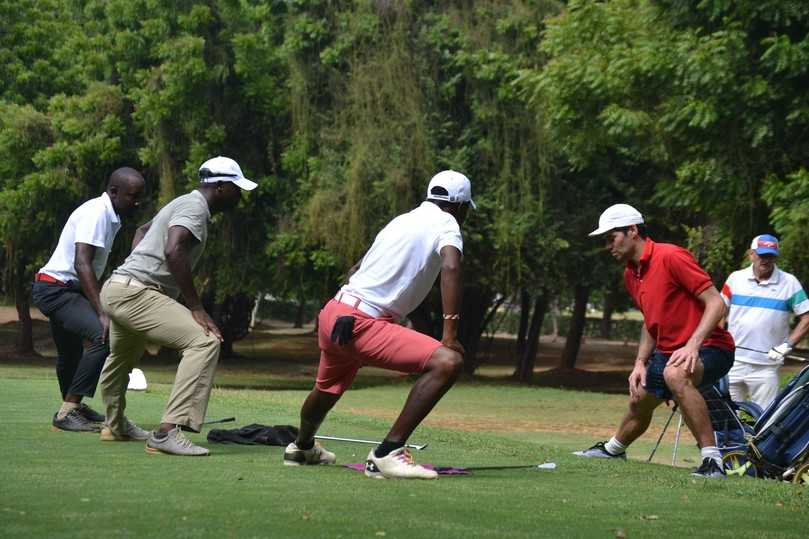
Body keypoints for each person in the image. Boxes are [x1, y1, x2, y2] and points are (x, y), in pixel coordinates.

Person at [283, 170, 472, 479]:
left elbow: (357, 268)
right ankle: (387, 453)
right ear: (461, 206)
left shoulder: (402, 220)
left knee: (327, 390)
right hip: (363, 321)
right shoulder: (447, 223)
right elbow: (451, 266)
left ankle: (302, 448)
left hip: (335, 312)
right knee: (447, 362)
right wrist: (449, 334)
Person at [98, 156, 256, 455]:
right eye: (237, 188)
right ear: (220, 186)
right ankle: (167, 433)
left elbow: (143, 231)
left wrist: (137, 266)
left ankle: (114, 424)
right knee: (205, 340)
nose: (240, 195)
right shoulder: (195, 207)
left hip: (119, 287)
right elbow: (174, 249)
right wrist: (196, 307)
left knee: (122, 358)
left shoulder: (183, 202)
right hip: (137, 293)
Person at [574, 203, 735, 478]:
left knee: (675, 375)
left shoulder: (671, 256)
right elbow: (652, 321)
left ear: (632, 231)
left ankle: (713, 461)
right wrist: (639, 363)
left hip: (712, 348)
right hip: (669, 351)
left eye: (611, 237)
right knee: (640, 399)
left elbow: (716, 303)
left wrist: (693, 344)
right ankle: (613, 450)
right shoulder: (630, 273)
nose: (608, 246)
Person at [32, 168, 146, 432]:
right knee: (102, 335)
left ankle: (72, 409)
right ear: (114, 192)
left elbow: (91, 266)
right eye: (132, 196)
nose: (137, 202)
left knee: (70, 352)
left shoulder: (110, 216)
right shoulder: (96, 213)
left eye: (140, 196)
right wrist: (102, 312)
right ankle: (69, 410)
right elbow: (82, 262)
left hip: (62, 289)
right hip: (57, 290)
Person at [721, 234, 809, 409]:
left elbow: (807, 317)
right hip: (732, 361)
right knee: (728, 416)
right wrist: (718, 343)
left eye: (770, 256)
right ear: (751, 254)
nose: (765, 260)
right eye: (761, 255)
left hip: (767, 367)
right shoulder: (735, 279)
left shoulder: (789, 282)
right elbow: (718, 313)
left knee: (764, 421)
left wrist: (787, 345)